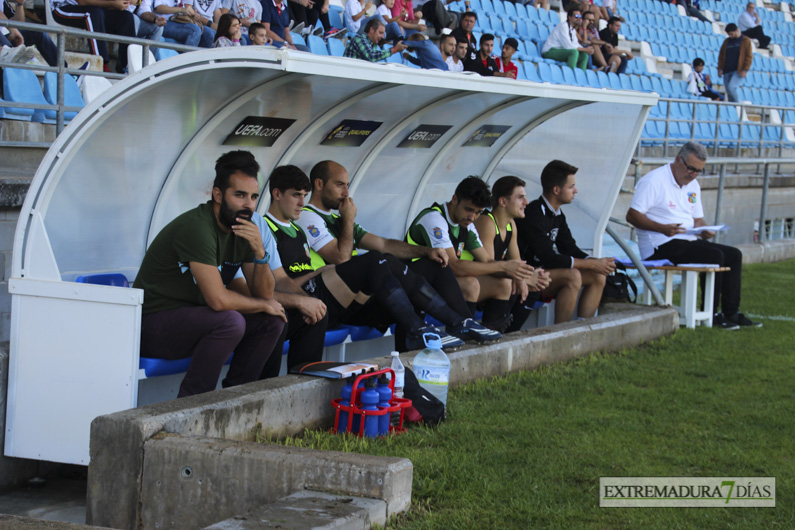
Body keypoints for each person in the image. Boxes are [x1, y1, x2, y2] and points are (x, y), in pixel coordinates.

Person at [263, 166, 499, 352]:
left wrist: (425, 251)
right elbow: (342, 259)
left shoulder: (323, 221)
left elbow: (385, 243)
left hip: (356, 294)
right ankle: (419, 330)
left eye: (348, 185)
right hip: (330, 298)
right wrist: (347, 220)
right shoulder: (307, 218)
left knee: (426, 264)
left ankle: (460, 323)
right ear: (320, 184)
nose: (346, 193)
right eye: (340, 185)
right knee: (376, 260)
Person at [133, 150, 286, 397]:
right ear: (217, 195)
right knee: (230, 321)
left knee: (271, 321)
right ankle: (190, 408)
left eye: (253, 197)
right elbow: (218, 300)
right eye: (239, 195)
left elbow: (265, 294)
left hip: (194, 321)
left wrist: (260, 251)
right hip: (152, 324)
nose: (248, 204)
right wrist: (262, 304)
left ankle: (235, 400)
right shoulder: (197, 227)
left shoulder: (244, 228)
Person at [626, 142, 761, 330]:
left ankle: (731, 312)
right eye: (691, 169)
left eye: (699, 171)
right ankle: (711, 314)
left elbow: (697, 220)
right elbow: (632, 215)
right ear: (678, 160)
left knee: (734, 255)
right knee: (715, 256)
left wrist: (705, 230)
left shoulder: (693, 184)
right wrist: (662, 228)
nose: (693, 174)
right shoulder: (654, 180)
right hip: (659, 244)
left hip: (686, 240)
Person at [407, 176, 540, 332]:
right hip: (413, 282)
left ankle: (493, 335)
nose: (472, 217)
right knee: (471, 285)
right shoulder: (434, 218)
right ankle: (464, 338)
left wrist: (520, 274)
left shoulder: (466, 224)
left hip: (440, 283)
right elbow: (454, 267)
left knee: (503, 283)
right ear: (455, 199)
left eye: (478, 212)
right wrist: (504, 267)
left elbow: (487, 261)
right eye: (469, 209)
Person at [515, 160, 615, 324]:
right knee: (573, 276)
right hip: (528, 276)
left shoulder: (558, 215)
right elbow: (548, 258)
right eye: (571, 187)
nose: (576, 191)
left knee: (598, 275)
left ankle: (584, 328)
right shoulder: (533, 214)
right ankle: (562, 333)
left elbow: (569, 248)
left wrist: (597, 263)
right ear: (556, 190)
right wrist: (590, 264)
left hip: (545, 275)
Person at [474, 176, 551, 332]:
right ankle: (492, 331)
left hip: (492, 281)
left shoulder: (511, 225)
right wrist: (522, 276)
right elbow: (488, 267)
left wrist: (531, 275)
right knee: (511, 282)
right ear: (503, 202)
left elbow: (518, 263)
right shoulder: (487, 222)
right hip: (474, 282)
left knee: (530, 285)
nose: (526, 203)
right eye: (520, 197)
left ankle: (508, 334)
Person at [52, 0, 137, 73]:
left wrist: (124, 3)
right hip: (62, 8)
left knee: (126, 17)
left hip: (93, 9)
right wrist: (112, 3)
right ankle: (100, 64)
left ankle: (126, 67)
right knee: (94, 13)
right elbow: (82, 1)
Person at [1, 0, 59, 67]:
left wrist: (19, 4)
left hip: (7, 37)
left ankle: (63, 70)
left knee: (38, 31)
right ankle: (6, 53)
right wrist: (11, 28)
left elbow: (19, 24)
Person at [541, 6, 591, 72]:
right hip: (549, 51)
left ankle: (580, 77)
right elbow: (568, 46)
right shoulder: (563, 26)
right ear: (569, 17)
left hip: (560, 51)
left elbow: (575, 44)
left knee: (584, 55)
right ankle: (570, 75)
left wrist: (587, 50)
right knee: (574, 52)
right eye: (576, 16)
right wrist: (585, 49)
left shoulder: (572, 30)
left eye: (580, 17)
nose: (578, 19)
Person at [718, 23, 752, 103]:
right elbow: (721, 55)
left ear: (736, 30)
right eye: (728, 34)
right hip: (727, 70)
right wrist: (720, 68)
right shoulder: (726, 42)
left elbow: (749, 56)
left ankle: (737, 106)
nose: (730, 36)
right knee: (729, 93)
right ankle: (732, 109)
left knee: (732, 87)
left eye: (731, 34)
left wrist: (745, 69)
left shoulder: (745, 40)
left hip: (738, 70)